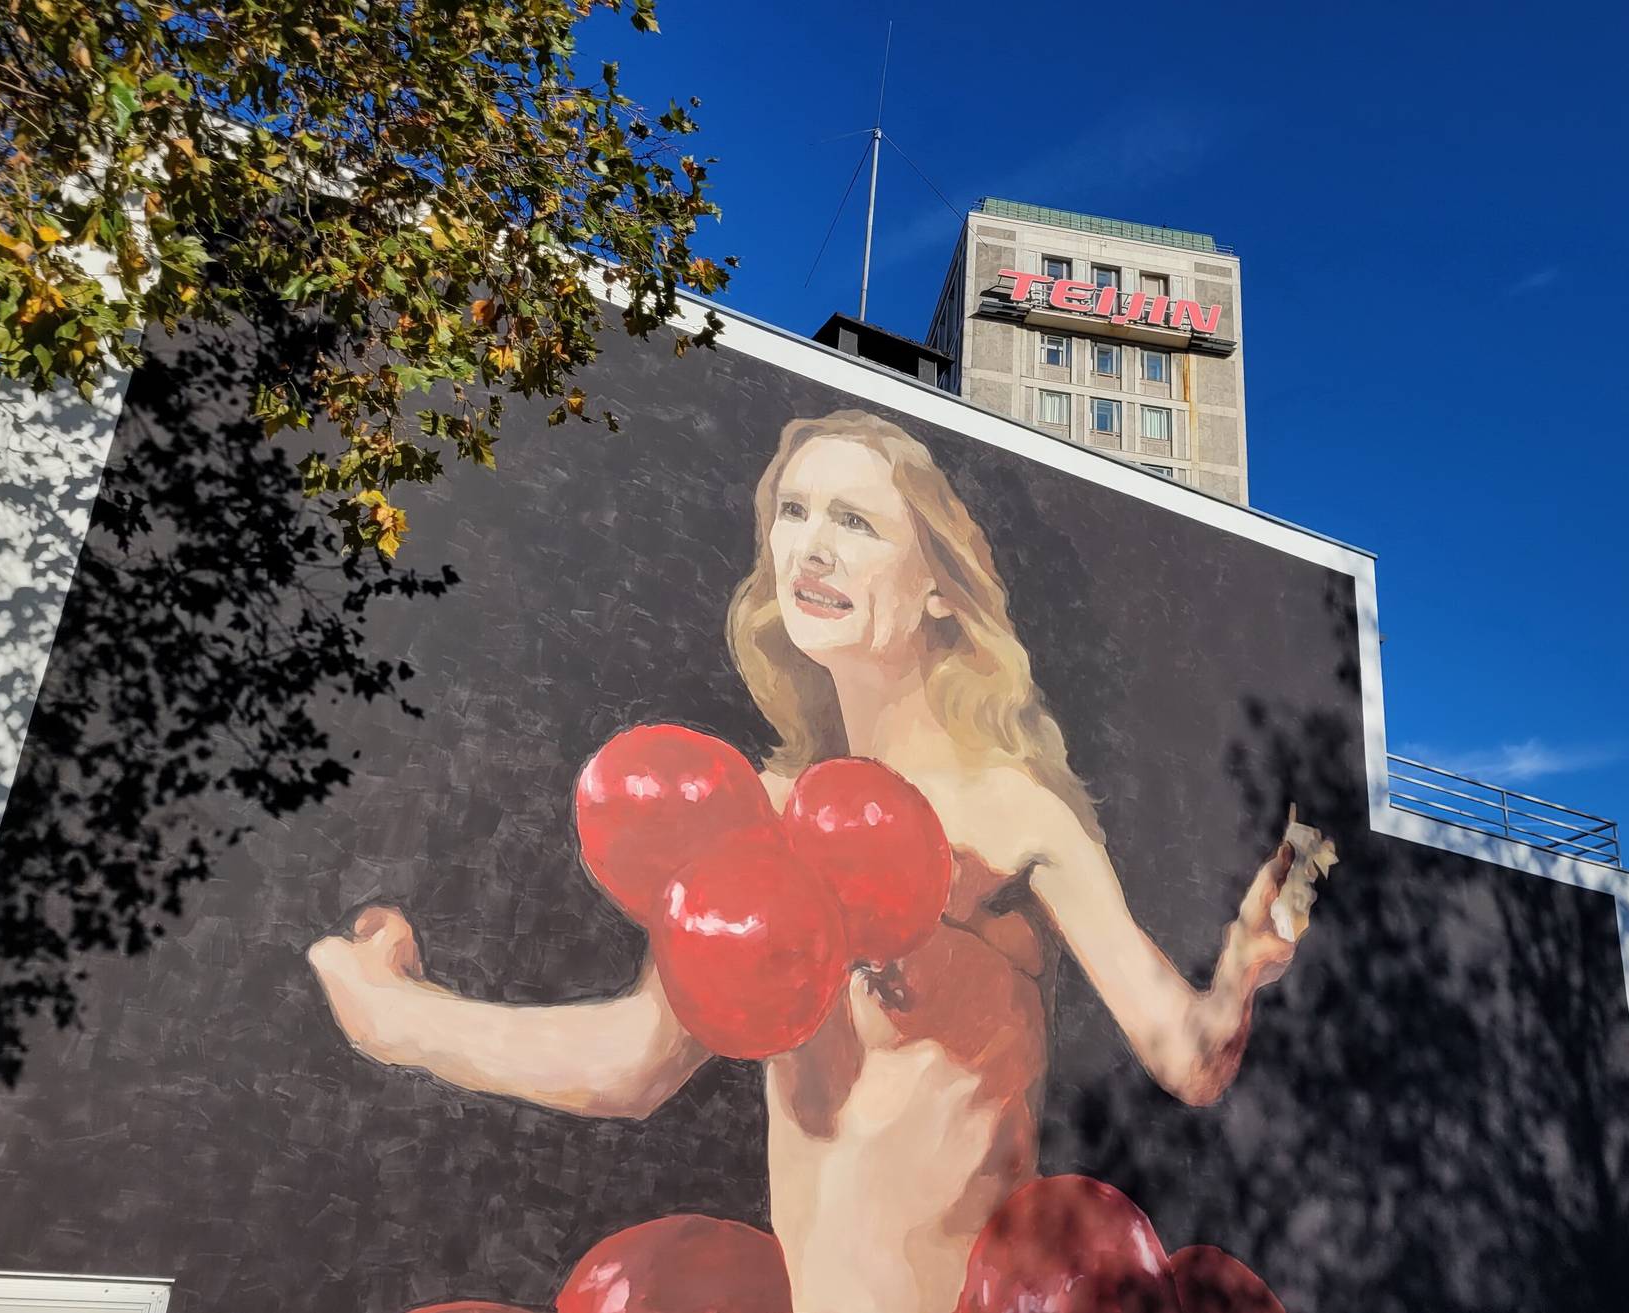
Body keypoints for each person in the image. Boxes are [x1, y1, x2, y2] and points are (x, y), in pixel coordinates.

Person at [308, 409, 1336, 1313]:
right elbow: (635, 1061)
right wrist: (403, 1017)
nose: (811, 547)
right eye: (793, 513)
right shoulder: (757, 815)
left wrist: (1241, 968)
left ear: (940, 589)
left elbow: (1186, 1055)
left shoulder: (1017, 813)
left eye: (855, 521)